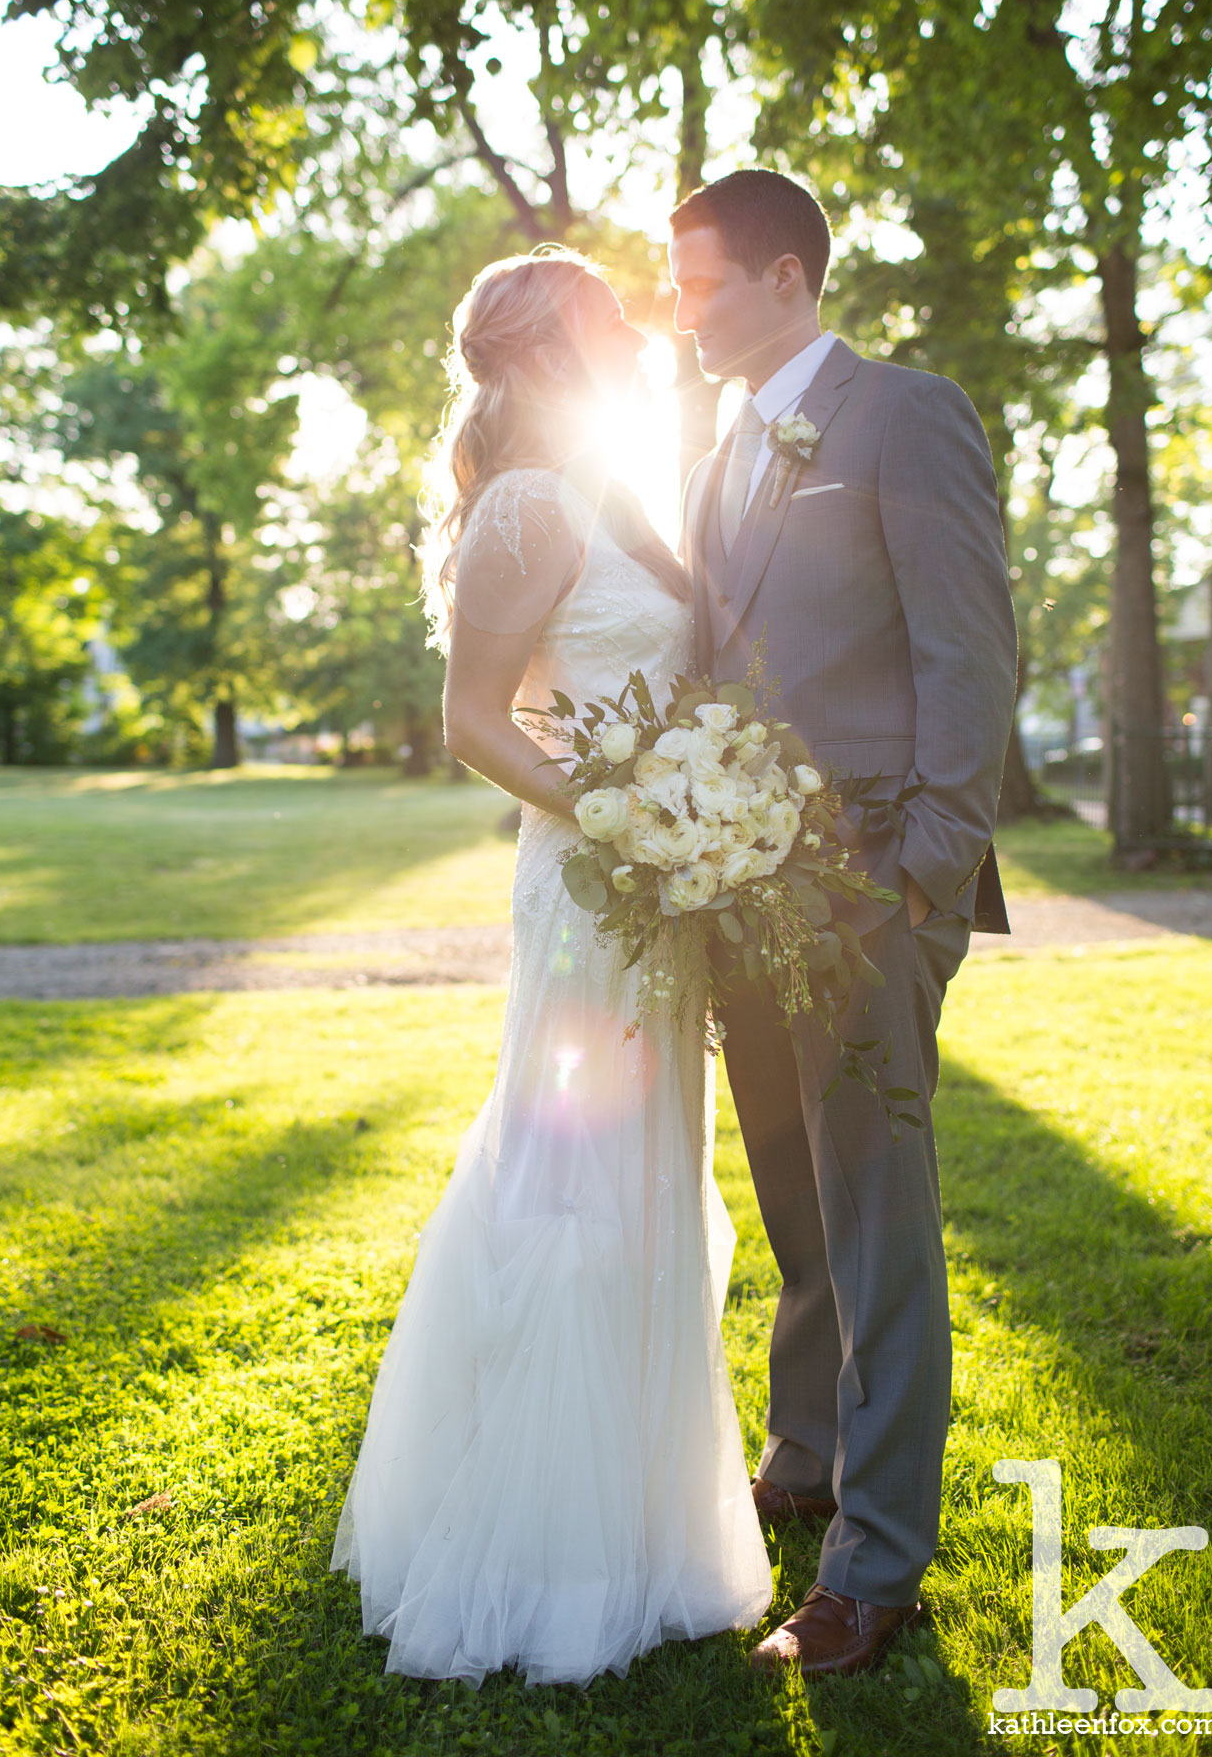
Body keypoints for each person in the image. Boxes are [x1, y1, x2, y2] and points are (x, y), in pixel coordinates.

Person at [329, 249, 772, 1687]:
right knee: (570, 1184)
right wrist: (624, 819)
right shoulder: (522, 505)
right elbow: (472, 719)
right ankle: (546, 1553)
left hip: (650, 877)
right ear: (534, 353)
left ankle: (646, 1531)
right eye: (607, 333)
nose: (635, 352)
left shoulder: (603, 497)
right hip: (590, 889)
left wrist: (687, 813)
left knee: (644, 1177)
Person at [673, 169, 1017, 1679]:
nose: (677, 310)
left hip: (877, 885)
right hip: (743, 895)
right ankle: (801, 1460)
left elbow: (967, 644)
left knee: (876, 1233)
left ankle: (871, 1565)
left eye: (698, 283)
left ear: (789, 278)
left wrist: (928, 867)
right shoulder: (715, 452)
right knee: (795, 1216)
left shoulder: (906, 412)